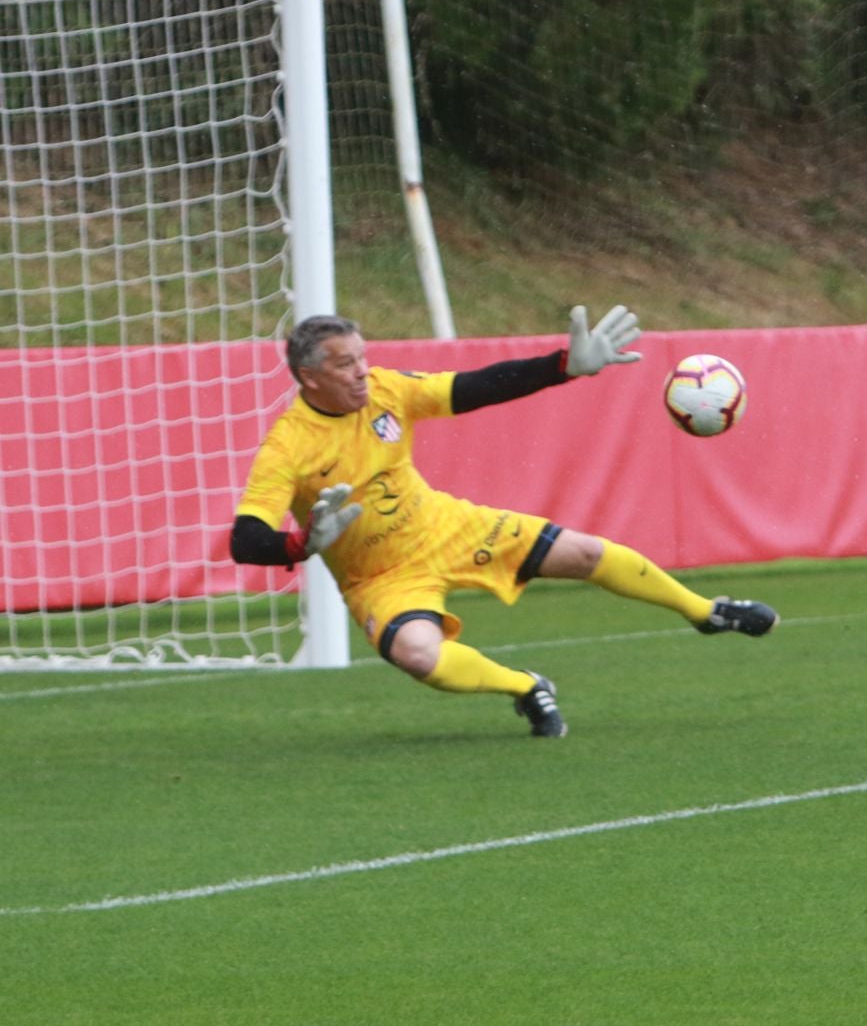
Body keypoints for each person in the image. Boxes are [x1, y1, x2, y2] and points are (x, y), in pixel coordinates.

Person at [229, 305, 778, 737]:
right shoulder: (287, 447)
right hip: (381, 578)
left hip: (447, 527)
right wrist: (300, 545)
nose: (362, 371)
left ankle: (707, 611)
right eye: (344, 363)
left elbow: (478, 386)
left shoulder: (388, 393)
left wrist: (564, 366)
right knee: (418, 656)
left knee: (584, 554)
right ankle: (526, 686)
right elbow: (245, 538)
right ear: (309, 376)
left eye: (362, 356)